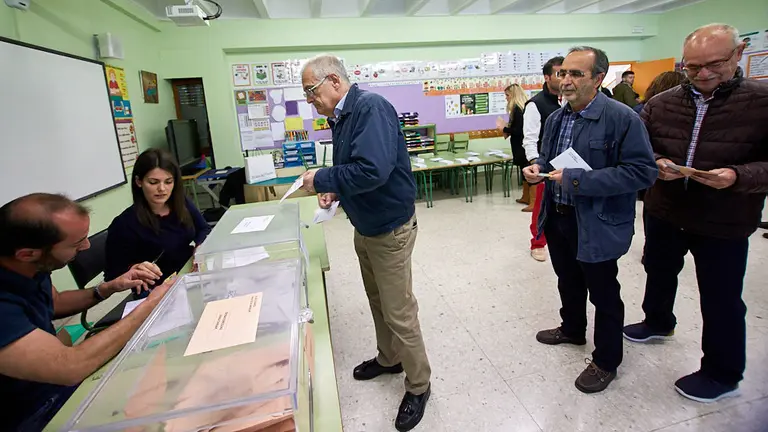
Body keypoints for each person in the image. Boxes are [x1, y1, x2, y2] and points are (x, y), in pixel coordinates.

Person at [624, 23, 768, 403]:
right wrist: (656, 163)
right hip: (665, 208)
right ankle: (657, 321)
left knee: (721, 296)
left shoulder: (762, 101)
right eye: (692, 67)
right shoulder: (661, 102)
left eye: (714, 64)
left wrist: (737, 176)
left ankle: (722, 373)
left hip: (724, 217)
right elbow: (637, 149)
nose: (703, 74)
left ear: (738, 54)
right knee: (657, 267)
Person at [298, 55, 431, 432]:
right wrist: (335, 193)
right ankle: (389, 359)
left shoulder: (370, 107)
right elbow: (355, 169)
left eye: (311, 90)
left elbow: (373, 169)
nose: (310, 99)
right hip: (366, 224)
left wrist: (322, 179)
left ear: (334, 81)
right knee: (378, 302)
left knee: (399, 310)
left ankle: (419, 384)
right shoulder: (342, 116)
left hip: (389, 228)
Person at [522, 46, 657, 393]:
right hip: (560, 216)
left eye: (575, 74)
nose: (565, 80)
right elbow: (554, 162)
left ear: (598, 79)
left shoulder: (622, 118)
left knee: (603, 292)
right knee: (567, 279)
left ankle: (607, 359)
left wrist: (578, 180)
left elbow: (642, 173)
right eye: (562, 72)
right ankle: (572, 329)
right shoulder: (557, 118)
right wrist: (540, 169)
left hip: (596, 220)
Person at [0, 193, 172, 431]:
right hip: (31, 411)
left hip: (52, 382)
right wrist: (151, 306)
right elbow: (70, 367)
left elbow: (56, 302)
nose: (87, 246)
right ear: (27, 254)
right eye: (76, 243)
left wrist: (109, 287)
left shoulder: (32, 264)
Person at [105, 149, 211, 299]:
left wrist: (200, 246)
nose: (162, 189)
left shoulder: (181, 203)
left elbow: (204, 229)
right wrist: (133, 269)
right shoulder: (124, 224)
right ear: (138, 182)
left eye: (168, 182)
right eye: (153, 182)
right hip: (155, 291)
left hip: (188, 274)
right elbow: (112, 275)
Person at [522, 56, 564, 261]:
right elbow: (529, 139)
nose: (565, 78)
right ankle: (538, 242)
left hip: (572, 165)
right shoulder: (535, 104)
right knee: (541, 208)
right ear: (547, 77)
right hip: (546, 166)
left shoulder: (573, 100)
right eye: (560, 73)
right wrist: (535, 165)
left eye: (569, 73)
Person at [496, 84, 529, 208]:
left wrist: (503, 128)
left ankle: (529, 197)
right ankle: (526, 196)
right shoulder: (520, 108)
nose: (506, 98)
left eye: (507, 95)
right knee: (523, 169)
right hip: (519, 144)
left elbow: (518, 130)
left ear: (514, 95)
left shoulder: (518, 109)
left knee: (525, 169)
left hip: (521, 145)